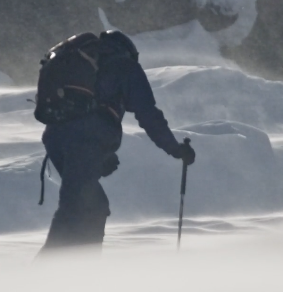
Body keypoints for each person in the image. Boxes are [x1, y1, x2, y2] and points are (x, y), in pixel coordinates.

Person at [38, 31, 195, 252]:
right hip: (85, 140)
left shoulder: (83, 63)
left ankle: (81, 265)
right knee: (76, 207)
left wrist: (103, 156)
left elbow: (82, 118)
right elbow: (147, 113)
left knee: (93, 205)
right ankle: (46, 275)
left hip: (55, 138)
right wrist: (175, 149)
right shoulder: (125, 66)